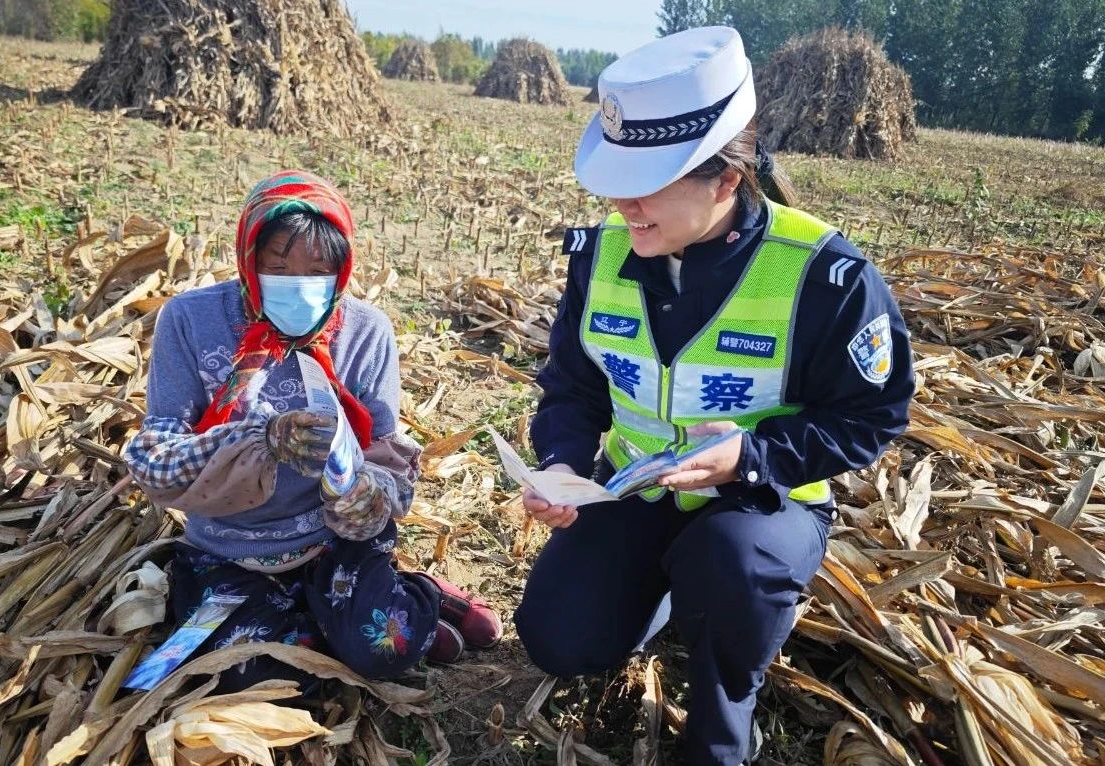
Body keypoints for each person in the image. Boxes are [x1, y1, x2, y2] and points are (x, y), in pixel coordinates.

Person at [512, 28, 914, 765]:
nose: (622, 204)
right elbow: (573, 385)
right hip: (635, 490)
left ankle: (726, 716)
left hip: (760, 505)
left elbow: (872, 414)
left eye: (646, 184)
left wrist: (752, 456)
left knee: (729, 565)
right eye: (616, 180)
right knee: (559, 638)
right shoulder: (601, 256)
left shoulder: (825, 277)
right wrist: (563, 462)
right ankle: (669, 592)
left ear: (726, 180)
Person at [126, 171, 501, 691]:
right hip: (227, 548)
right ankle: (339, 619)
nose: (299, 285)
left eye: (319, 270)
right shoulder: (190, 320)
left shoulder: (365, 330)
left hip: (331, 541)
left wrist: (367, 494)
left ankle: (417, 595)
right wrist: (258, 440)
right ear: (248, 259)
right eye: (278, 268)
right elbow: (155, 459)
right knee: (251, 674)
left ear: (341, 269)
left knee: (384, 648)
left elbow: (387, 457)